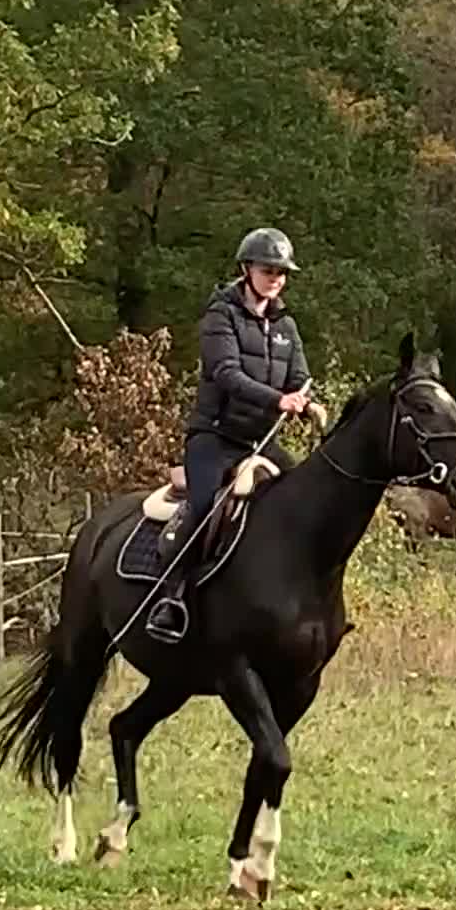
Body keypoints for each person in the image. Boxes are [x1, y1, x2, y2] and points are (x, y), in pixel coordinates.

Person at [146, 226, 317, 642]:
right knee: (205, 505)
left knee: (305, 500)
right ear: (246, 269)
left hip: (261, 443)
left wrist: (306, 401)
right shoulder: (220, 315)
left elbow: (300, 376)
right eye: (268, 269)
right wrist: (279, 400)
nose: (276, 278)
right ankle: (172, 597)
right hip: (215, 439)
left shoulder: (286, 326)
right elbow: (226, 374)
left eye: (282, 272)